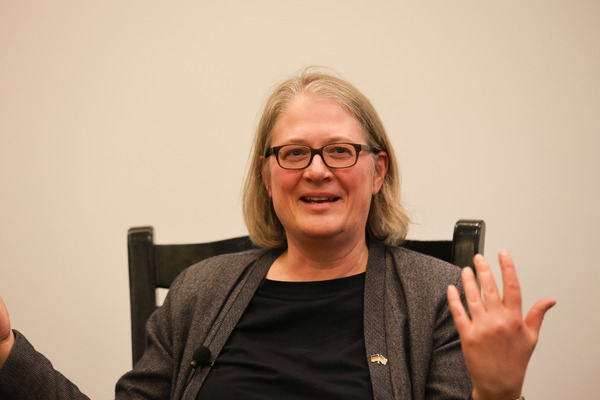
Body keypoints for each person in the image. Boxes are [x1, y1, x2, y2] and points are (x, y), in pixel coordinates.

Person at [0, 67, 555, 399]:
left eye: (340, 150)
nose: (317, 170)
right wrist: (6, 353)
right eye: (293, 153)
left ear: (378, 171)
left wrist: (498, 395)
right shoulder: (198, 291)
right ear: (267, 177)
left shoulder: (442, 298)